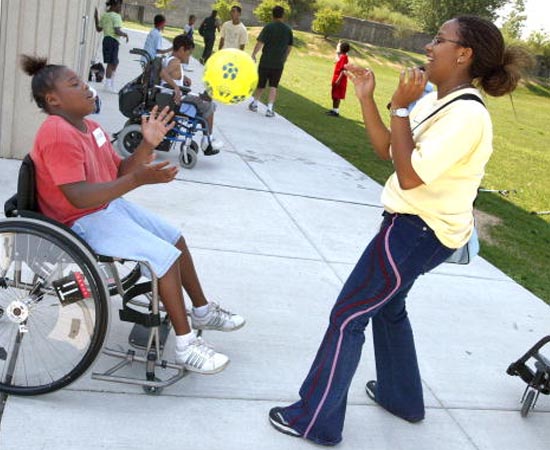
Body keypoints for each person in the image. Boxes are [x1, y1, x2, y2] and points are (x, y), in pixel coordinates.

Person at [267, 15, 531, 446]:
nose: (428, 46)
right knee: (388, 308)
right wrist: (370, 98)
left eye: (438, 40)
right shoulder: (437, 99)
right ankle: (402, 398)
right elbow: (387, 150)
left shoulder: (468, 116)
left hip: (417, 232)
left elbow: (409, 178)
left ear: (463, 54)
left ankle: (315, 420)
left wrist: (402, 106)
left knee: (348, 315)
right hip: (416, 229)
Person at [20, 54, 245, 375]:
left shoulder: (91, 127)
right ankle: (186, 345)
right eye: (75, 84)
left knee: (174, 239)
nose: (86, 87)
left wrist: (146, 146)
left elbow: (119, 171)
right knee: (162, 256)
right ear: (53, 100)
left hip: (103, 207)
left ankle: (203, 311)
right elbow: (78, 196)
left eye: (82, 81)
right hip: (78, 220)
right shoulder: (57, 132)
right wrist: (137, 179)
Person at [160, 34, 223, 155]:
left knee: (207, 102)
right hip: (175, 101)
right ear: (182, 49)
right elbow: (163, 73)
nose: (188, 57)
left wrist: (183, 78)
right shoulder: (175, 62)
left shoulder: (171, 59)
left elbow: (170, 74)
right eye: (188, 53)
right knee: (209, 106)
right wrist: (176, 87)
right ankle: (207, 140)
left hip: (173, 97)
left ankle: (208, 137)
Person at [248, 5, 293, 118]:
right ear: (283, 15)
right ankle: (269, 109)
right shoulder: (288, 30)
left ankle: (254, 104)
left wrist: (253, 54)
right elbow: (289, 46)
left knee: (261, 84)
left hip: (265, 61)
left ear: (272, 15)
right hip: (278, 63)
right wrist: (285, 57)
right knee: (274, 86)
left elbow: (260, 43)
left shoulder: (268, 27)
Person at [94, 0, 129, 93]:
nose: (120, 8)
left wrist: (95, 17)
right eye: (120, 6)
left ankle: (110, 82)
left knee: (115, 62)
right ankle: (108, 85)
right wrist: (125, 34)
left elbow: (98, 29)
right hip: (113, 40)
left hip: (106, 40)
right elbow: (117, 31)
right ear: (115, 5)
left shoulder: (105, 15)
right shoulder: (116, 16)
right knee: (111, 63)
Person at [326, 41, 350, 117]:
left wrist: (338, 80)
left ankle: (336, 111)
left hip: (339, 79)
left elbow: (343, 70)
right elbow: (337, 55)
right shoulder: (342, 56)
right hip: (336, 77)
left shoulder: (344, 57)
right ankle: (334, 109)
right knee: (334, 94)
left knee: (337, 95)